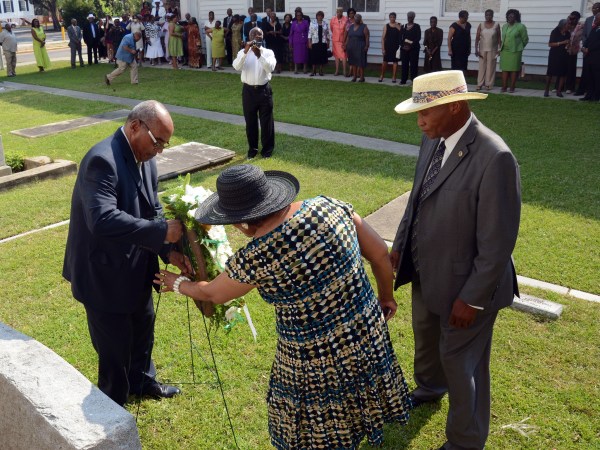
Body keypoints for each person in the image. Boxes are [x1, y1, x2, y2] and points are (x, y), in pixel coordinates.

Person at [155, 164, 412, 450]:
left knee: (317, 423)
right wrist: (386, 297)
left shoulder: (257, 256)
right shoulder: (330, 206)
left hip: (312, 357)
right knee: (359, 393)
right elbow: (379, 254)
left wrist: (178, 284)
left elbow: (214, 294)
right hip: (365, 331)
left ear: (243, 221)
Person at [392, 70, 521, 450]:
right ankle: (430, 388)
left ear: (456, 107)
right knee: (427, 339)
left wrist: (474, 299)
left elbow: (497, 243)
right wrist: (401, 242)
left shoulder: (495, 157)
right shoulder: (433, 138)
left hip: (468, 286)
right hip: (427, 269)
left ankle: (465, 441)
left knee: (462, 362)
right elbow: (416, 198)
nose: (420, 122)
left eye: (426, 113)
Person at [63, 100, 188, 407]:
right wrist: (160, 232)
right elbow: (101, 219)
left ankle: (143, 381)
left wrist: (167, 251)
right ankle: (113, 403)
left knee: (143, 328)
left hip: (136, 266)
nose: (159, 150)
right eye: (157, 142)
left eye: (164, 145)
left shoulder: (147, 158)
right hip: (103, 273)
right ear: (135, 126)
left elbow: (152, 208)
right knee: (114, 347)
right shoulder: (101, 160)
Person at [232, 27, 276, 159]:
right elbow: (236, 66)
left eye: (260, 34)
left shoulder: (268, 52)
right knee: (250, 122)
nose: (257, 35)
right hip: (248, 91)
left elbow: (270, 68)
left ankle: (267, 150)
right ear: (249, 36)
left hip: (264, 91)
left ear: (263, 36)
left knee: (266, 122)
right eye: (254, 34)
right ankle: (253, 149)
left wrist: (259, 56)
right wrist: (246, 51)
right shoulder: (242, 52)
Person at [499, 9, 528, 93]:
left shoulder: (520, 26)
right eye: (508, 16)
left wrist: (520, 47)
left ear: (516, 17)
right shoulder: (505, 26)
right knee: (504, 69)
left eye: (512, 16)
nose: (509, 17)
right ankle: (504, 86)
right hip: (505, 51)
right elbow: (503, 38)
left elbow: (525, 39)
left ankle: (512, 87)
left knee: (514, 70)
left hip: (515, 51)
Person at [575, 2, 600, 95]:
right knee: (586, 71)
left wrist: (590, 48)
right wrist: (585, 47)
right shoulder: (589, 20)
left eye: (596, 8)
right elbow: (585, 35)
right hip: (587, 51)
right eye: (593, 8)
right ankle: (582, 90)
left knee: (595, 73)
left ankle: (594, 93)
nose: (594, 10)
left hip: (596, 52)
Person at [475, 9, 501, 90]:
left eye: (490, 15)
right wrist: (476, 49)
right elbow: (477, 38)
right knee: (482, 67)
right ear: (485, 16)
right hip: (482, 49)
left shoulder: (496, 25)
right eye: (486, 15)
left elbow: (499, 38)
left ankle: (488, 84)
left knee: (491, 67)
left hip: (493, 49)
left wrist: (499, 49)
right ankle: (479, 84)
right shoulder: (481, 25)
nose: (488, 17)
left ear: (492, 15)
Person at [544, 19, 571, 98]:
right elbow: (550, 44)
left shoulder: (568, 33)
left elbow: (568, 43)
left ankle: (559, 91)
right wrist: (562, 42)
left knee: (562, 73)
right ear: (563, 25)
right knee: (550, 72)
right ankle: (546, 90)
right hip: (554, 55)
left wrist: (568, 45)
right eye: (568, 24)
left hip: (564, 55)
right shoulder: (555, 32)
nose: (569, 26)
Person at [580, 12, 600, 101]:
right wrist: (584, 47)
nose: (594, 20)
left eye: (596, 19)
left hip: (597, 57)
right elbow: (588, 39)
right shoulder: (594, 28)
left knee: (597, 77)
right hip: (588, 56)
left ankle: (596, 96)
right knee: (589, 76)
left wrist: (589, 49)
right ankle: (588, 95)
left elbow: (598, 43)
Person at [345, 13, 369, 82]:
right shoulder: (351, 26)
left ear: (360, 19)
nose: (357, 19)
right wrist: (346, 45)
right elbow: (348, 37)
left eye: (358, 18)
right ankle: (354, 77)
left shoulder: (364, 26)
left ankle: (362, 77)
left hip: (361, 45)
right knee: (353, 62)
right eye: (356, 18)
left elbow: (367, 37)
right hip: (351, 46)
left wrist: (367, 46)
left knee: (360, 62)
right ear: (354, 19)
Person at [400, 11, 421, 85]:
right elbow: (400, 38)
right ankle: (403, 80)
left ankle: (414, 80)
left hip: (414, 49)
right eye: (408, 17)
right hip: (404, 49)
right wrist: (403, 46)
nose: (409, 18)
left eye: (411, 17)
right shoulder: (403, 26)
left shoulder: (417, 26)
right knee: (404, 64)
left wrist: (410, 46)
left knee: (413, 65)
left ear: (414, 18)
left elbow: (418, 38)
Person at [379, 12, 402, 82]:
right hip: (387, 46)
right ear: (389, 18)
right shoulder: (386, 26)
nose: (392, 18)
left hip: (396, 46)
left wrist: (397, 26)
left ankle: (394, 77)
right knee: (385, 61)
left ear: (395, 18)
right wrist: (383, 48)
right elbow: (383, 38)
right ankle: (382, 75)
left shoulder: (399, 25)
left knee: (395, 61)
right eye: (391, 17)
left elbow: (402, 33)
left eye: (393, 17)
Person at [308, 11, 330, 77]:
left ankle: (320, 70)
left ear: (323, 16)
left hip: (323, 42)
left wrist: (328, 42)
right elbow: (310, 33)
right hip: (315, 42)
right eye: (318, 16)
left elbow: (327, 34)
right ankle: (313, 71)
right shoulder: (312, 23)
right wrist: (309, 42)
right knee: (314, 57)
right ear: (316, 16)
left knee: (322, 57)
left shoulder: (325, 23)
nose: (320, 17)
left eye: (321, 16)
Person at [289, 9, 310, 74]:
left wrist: (309, 41)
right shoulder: (294, 23)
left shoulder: (306, 22)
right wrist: (290, 42)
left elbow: (309, 32)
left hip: (304, 41)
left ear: (302, 16)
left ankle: (304, 68)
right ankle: (296, 69)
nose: (299, 16)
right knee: (296, 55)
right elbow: (291, 34)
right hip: (296, 42)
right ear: (296, 16)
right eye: (297, 15)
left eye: (300, 15)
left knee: (304, 55)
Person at [330, 7, 348, 76]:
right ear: (336, 12)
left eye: (340, 12)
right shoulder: (333, 19)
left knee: (344, 56)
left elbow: (346, 30)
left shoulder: (346, 19)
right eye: (338, 11)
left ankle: (344, 71)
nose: (339, 13)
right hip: (335, 40)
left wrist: (345, 40)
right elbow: (332, 28)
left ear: (342, 12)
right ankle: (337, 71)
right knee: (336, 56)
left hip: (343, 40)